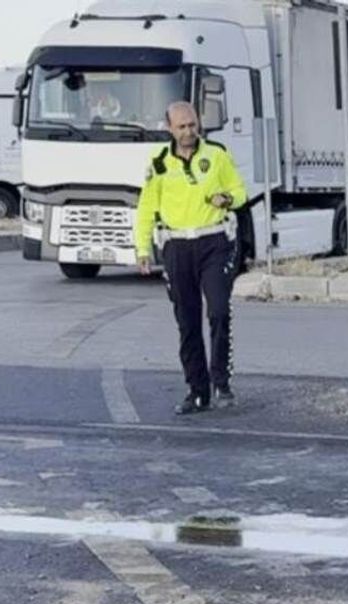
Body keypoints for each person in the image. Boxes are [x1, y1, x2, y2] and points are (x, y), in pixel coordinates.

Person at [134, 101, 248, 415]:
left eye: (192, 125)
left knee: (219, 311)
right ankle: (197, 392)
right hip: (177, 246)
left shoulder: (217, 155)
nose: (188, 132)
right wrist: (142, 249)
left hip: (214, 242)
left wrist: (228, 198)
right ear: (169, 128)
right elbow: (146, 207)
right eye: (182, 127)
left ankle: (221, 381)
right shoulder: (158, 163)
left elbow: (240, 191)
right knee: (187, 320)